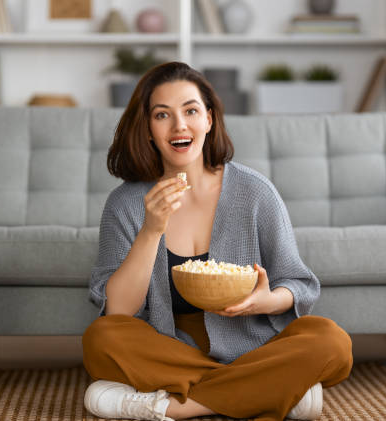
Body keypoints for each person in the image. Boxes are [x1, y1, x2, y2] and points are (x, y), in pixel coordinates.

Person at [82, 61, 352, 421]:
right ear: (148, 129)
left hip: (251, 344)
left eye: (190, 110)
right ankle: (274, 392)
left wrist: (266, 301)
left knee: (332, 342)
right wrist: (151, 229)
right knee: (102, 339)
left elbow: (300, 285)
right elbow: (118, 310)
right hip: (170, 345)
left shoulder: (255, 192)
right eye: (162, 115)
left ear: (209, 119)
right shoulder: (127, 203)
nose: (179, 125)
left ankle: (169, 406)